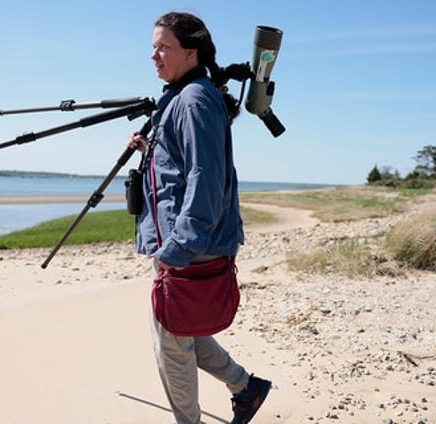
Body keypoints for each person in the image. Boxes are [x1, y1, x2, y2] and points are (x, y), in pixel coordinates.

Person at [125, 11, 271, 424]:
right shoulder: (186, 96)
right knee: (182, 329)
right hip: (189, 241)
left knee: (171, 345)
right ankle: (247, 388)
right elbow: (182, 164)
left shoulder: (193, 99)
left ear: (190, 53)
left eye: (163, 47)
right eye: (153, 47)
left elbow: (206, 176)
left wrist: (179, 246)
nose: (154, 56)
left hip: (192, 245)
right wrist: (149, 150)